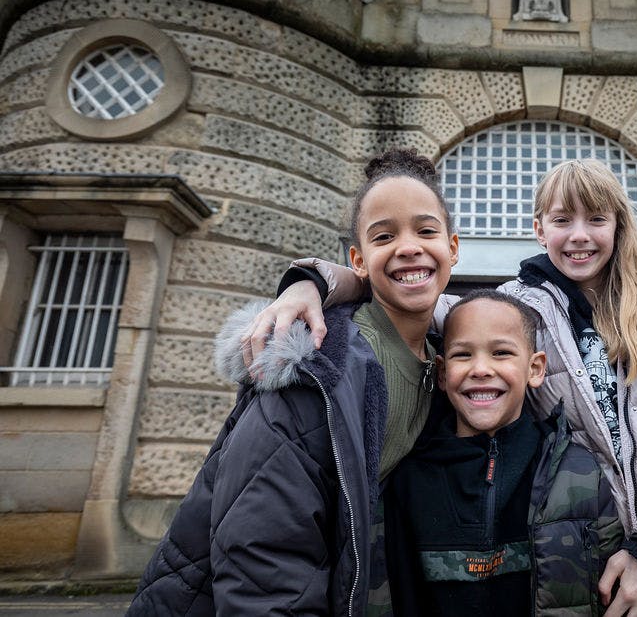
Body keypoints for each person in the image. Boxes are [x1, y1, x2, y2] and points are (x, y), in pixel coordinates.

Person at [249, 159, 637, 615]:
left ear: (619, 227)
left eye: (596, 219)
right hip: (579, 574)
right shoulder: (511, 312)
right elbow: (408, 286)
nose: (579, 236)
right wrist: (312, 283)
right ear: (539, 229)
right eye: (562, 220)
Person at [126, 149, 459, 615]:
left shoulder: (450, 358)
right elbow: (263, 552)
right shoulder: (315, 367)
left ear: (453, 248)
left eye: (426, 231)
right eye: (385, 236)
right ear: (358, 260)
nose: (409, 247)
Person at [381, 289, 623, 615]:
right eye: (463, 355)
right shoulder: (407, 480)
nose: (480, 368)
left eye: (501, 353)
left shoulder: (578, 474)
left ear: (535, 369)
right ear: (441, 372)